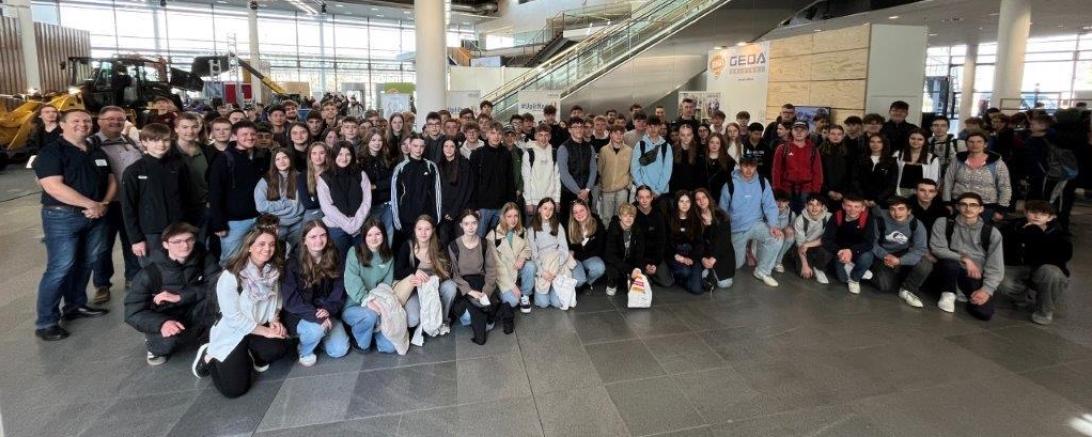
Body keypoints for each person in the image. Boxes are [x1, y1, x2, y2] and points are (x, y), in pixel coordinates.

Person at [33, 109, 113, 341]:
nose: (82, 124)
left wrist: (104, 203)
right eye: (75, 121)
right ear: (62, 125)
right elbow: (53, 186)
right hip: (62, 217)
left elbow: (111, 179)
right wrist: (91, 204)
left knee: (87, 262)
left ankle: (75, 305)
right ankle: (46, 321)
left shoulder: (96, 150)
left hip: (96, 215)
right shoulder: (51, 152)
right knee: (60, 267)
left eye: (86, 121)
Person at [192, 228, 289, 398]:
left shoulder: (272, 272)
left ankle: (250, 355)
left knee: (279, 346)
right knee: (235, 390)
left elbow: (276, 301)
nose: (267, 248)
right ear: (249, 246)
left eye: (271, 244)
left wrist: (275, 320)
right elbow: (233, 318)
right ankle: (209, 356)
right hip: (233, 332)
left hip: (256, 328)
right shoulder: (231, 276)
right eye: (261, 244)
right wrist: (267, 332)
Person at [124, 223, 218, 365]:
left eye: (189, 239)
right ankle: (153, 340)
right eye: (177, 242)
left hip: (195, 308)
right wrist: (161, 324)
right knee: (166, 344)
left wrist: (181, 297)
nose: (185, 245)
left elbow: (217, 286)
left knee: (219, 302)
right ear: (166, 244)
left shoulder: (204, 258)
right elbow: (132, 312)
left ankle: (207, 337)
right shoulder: (149, 273)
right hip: (165, 315)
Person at [90, 106, 143, 304]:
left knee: (132, 241)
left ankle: (133, 277)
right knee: (102, 246)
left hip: (131, 203)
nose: (116, 122)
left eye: (120, 119)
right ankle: (102, 284)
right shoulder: (90, 144)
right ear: (99, 121)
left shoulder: (130, 142)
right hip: (106, 203)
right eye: (110, 119)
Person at [121, 123, 194, 263]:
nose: (161, 144)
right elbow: (128, 207)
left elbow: (188, 198)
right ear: (144, 142)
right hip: (150, 233)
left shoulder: (179, 166)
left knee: (181, 267)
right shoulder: (134, 171)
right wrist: (136, 239)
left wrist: (189, 227)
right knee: (153, 270)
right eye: (155, 140)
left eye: (166, 140)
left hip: (178, 229)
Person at [281, 220, 349, 366]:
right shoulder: (292, 263)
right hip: (300, 313)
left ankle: (318, 338)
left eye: (323, 235)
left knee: (339, 350)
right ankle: (304, 350)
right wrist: (314, 315)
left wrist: (328, 310)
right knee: (316, 329)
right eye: (313, 237)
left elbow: (339, 289)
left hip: (326, 310)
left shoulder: (334, 257)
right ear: (304, 240)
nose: (319, 240)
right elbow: (291, 300)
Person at [929, 192, 1004, 319]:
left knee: (984, 313)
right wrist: (965, 259)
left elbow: (995, 266)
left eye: (973, 205)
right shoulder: (944, 222)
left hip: (972, 275)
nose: (968, 208)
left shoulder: (991, 232)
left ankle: (963, 294)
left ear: (981, 209)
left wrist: (986, 290)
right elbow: (937, 249)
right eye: (964, 204)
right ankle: (948, 294)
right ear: (957, 207)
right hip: (946, 269)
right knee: (950, 263)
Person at [999, 201, 1071, 325]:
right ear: (1025, 212)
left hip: (1043, 270)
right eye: (1033, 212)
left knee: (1052, 273)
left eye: (1043, 214)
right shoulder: (1013, 227)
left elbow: (1062, 257)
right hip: (1018, 268)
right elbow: (1003, 252)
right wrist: (1022, 235)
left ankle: (1044, 310)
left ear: (1050, 217)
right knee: (999, 277)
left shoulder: (1059, 233)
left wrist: (1036, 233)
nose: (1037, 216)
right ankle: (1021, 295)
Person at [208, 120, 269, 264]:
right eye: (244, 134)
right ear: (234, 136)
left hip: (259, 218)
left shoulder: (262, 156)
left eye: (253, 134)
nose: (250, 137)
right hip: (234, 222)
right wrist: (218, 223)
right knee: (231, 261)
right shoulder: (223, 159)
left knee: (257, 259)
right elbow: (215, 193)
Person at [448, 210, 511, 344]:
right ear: (461, 225)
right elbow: (455, 275)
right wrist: (470, 291)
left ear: (478, 223)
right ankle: (492, 315)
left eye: (474, 223)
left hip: (481, 283)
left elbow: (491, 270)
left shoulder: (485, 243)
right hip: (464, 285)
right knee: (467, 317)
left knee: (482, 306)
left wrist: (485, 292)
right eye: (466, 224)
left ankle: (495, 312)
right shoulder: (453, 246)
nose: (470, 227)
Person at [719, 156, 782, 287]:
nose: (749, 170)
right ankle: (746, 253)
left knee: (777, 237)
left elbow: (770, 205)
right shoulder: (730, 184)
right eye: (745, 166)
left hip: (756, 224)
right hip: (737, 228)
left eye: (752, 166)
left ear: (756, 166)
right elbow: (722, 212)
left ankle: (762, 271)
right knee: (736, 265)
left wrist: (773, 225)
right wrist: (724, 234)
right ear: (740, 166)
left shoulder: (762, 182)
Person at [392, 215, 458, 334]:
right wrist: (414, 271)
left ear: (433, 230)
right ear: (415, 230)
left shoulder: (438, 246)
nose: (423, 233)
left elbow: (447, 270)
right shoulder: (407, 246)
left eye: (427, 229)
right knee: (412, 320)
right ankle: (425, 320)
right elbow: (397, 272)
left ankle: (442, 320)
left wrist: (434, 279)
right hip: (414, 290)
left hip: (434, 287)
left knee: (451, 287)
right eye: (420, 229)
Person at [342, 219, 400, 353]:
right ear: (364, 237)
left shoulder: (388, 256)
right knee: (370, 316)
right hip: (355, 305)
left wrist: (380, 303)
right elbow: (351, 281)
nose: (374, 239)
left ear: (384, 235)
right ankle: (359, 339)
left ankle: (370, 330)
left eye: (378, 234)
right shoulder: (354, 252)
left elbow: (386, 285)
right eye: (369, 235)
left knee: (390, 348)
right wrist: (366, 300)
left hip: (378, 304)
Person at [868, 197, 928, 302]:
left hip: (903, 253)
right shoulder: (879, 220)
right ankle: (872, 272)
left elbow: (920, 249)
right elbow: (872, 243)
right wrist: (885, 255)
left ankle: (907, 289)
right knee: (884, 286)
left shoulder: (917, 224)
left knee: (926, 264)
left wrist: (900, 261)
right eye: (892, 209)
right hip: (883, 254)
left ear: (909, 211)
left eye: (901, 209)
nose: (897, 213)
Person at [318, 142, 372, 258]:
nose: (344, 158)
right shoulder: (324, 177)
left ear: (352, 156)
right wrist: (348, 225)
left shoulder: (361, 174)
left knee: (363, 258)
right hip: (336, 226)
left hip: (360, 224)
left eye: (348, 154)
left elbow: (366, 202)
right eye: (340, 154)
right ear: (334, 156)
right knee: (340, 260)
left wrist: (355, 224)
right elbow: (327, 207)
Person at [942, 131, 1011, 223]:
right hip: (959, 205)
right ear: (966, 144)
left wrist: (1001, 209)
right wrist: (947, 202)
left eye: (979, 141)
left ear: (985, 144)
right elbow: (948, 181)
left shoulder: (997, 163)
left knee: (983, 231)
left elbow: (1005, 186)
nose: (975, 145)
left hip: (986, 207)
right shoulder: (957, 160)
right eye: (971, 142)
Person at [485, 202, 536, 314]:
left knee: (531, 266)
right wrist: (512, 286)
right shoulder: (492, 236)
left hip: (516, 269)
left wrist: (522, 257)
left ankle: (525, 295)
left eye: (516, 216)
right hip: (502, 276)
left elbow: (527, 249)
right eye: (509, 216)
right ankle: (501, 292)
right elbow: (497, 266)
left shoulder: (521, 231)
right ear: (503, 217)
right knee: (513, 302)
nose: (513, 220)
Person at [391, 138, 443, 244]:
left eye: (421, 146)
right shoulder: (401, 168)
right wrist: (397, 221)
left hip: (427, 216)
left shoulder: (431, 166)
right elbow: (395, 195)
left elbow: (437, 193)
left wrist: (437, 218)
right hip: (407, 218)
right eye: (415, 146)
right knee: (410, 248)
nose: (418, 149)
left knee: (428, 248)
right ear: (409, 146)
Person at [821, 195, 876, 294]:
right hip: (840, 251)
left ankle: (855, 279)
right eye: (849, 206)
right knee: (842, 279)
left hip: (858, 251)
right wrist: (839, 251)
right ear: (843, 205)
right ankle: (854, 268)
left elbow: (868, 243)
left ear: (863, 208)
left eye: (856, 206)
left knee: (867, 256)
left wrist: (851, 251)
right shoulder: (837, 216)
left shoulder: (868, 218)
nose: (852, 210)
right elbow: (826, 239)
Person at [470, 122, 516, 236]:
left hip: (502, 206)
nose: (496, 136)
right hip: (483, 207)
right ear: (487, 135)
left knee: (501, 240)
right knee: (479, 239)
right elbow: (472, 183)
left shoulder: (506, 154)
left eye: (499, 133)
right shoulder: (477, 154)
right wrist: (474, 207)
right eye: (493, 133)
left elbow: (510, 180)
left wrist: (511, 205)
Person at [528, 198, 574, 308]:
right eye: (545, 208)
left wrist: (556, 268)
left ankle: (553, 286)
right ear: (539, 209)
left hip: (557, 263)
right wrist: (542, 272)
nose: (548, 212)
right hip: (543, 264)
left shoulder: (558, 226)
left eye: (551, 209)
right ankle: (540, 285)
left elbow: (564, 249)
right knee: (543, 303)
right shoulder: (531, 229)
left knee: (557, 303)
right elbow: (533, 254)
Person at [254, 148, 306, 245]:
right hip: (275, 224)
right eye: (277, 159)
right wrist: (285, 203)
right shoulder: (265, 180)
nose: (281, 161)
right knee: (276, 251)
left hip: (298, 223)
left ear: (290, 159)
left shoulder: (300, 177)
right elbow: (260, 206)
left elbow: (300, 205)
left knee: (298, 251)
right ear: (273, 162)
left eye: (285, 157)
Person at [772, 121, 823, 213]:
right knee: (786, 215)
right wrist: (777, 189)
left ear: (807, 132)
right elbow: (776, 170)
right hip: (786, 188)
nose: (799, 133)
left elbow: (817, 172)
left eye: (802, 130)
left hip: (807, 189)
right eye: (796, 130)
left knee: (804, 215)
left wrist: (815, 191)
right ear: (791, 131)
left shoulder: (813, 149)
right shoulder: (782, 148)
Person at [557, 117, 598, 223]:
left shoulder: (590, 147)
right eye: (575, 127)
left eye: (581, 126)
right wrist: (579, 192)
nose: (579, 129)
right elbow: (564, 174)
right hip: (569, 193)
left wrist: (587, 190)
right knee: (569, 224)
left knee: (586, 223)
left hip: (586, 192)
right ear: (569, 130)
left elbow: (593, 169)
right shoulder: (563, 148)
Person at [665, 191, 705, 294]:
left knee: (697, 290)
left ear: (691, 203)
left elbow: (699, 243)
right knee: (685, 271)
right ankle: (675, 275)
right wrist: (677, 257)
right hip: (675, 254)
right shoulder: (669, 218)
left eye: (687, 201)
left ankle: (689, 279)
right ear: (676, 203)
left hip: (691, 255)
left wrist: (692, 258)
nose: (685, 204)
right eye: (681, 201)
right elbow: (665, 243)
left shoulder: (695, 219)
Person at [693, 188, 734, 290]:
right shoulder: (695, 218)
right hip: (704, 254)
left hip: (721, 254)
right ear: (695, 202)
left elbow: (724, 241)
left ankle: (711, 274)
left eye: (704, 197)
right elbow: (696, 243)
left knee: (724, 284)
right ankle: (708, 273)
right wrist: (703, 258)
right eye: (698, 199)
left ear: (709, 198)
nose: (701, 201)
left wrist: (713, 259)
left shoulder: (721, 215)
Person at [603, 203, 647, 296]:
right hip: (616, 261)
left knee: (641, 276)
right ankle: (612, 282)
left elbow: (640, 252)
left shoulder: (638, 229)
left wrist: (637, 268)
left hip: (630, 261)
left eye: (631, 216)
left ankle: (628, 280)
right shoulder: (613, 228)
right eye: (625, 215)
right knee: (614, 272)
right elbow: (610, 255)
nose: (628, 218)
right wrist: (630, 270)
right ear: (620, 216)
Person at [360, 128, 395, 239]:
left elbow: (392, 180)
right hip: (370, 205)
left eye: (380, 140)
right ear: (367, 141)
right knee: (372, 235)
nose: (377, 143)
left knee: (388, 234)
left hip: (387, 203)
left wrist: (375, 186)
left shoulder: (387, 158)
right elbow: (362, 184)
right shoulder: (361, 160)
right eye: (373, 140)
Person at [439, 138, 475, 244]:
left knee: (461, 241)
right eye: (446, 146)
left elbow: (466, 190)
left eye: (452, 146)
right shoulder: (438, 165)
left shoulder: (464, 164)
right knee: (444, 240)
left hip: (460, 210)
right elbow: (436, 192)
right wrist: (444, 211)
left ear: (456, 149)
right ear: (442, 148)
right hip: (444, 212)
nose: (448, 149)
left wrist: (454, 211)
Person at [567, 199, 606, 293]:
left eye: (581, 210)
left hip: (590, 258)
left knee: (599, 267)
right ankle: (582, 282)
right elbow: (567, 249)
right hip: (575, 260)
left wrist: (576, 254)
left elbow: (599, 248)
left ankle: (588, 283)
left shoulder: (597, 223)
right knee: (579, 281)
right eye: (575, 212)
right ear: (573, 215)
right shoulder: (568, 225)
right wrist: (572, 254)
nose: (579, 214)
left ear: (587, 210)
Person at [630, 116, 673, 198]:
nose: (653, 129)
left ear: (659, 127)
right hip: (643, 191)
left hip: (661, 192)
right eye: (650, 126)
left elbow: (667, 171)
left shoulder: (666, 147)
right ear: (646, 127)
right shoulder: (640, 145)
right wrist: (643, 188)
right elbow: (634, 169)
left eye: (655, 126)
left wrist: (658, 191)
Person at [793, 194, 832, 284]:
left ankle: (818, 268)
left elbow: (828, 239)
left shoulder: (829, 217)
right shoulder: (800, 220)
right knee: (805, 274)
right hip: (803, 248)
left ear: (823, 207)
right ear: (806, 206)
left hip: (820, 245)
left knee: (828, 249)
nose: (814, 208)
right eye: (811, 204)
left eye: (818, 205)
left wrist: (808, 244)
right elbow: (800, 245)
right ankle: (807, 263)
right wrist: (805, 265)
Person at [851, 134, 898, 208]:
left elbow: (892, 184)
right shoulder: (860, 159)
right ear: (868, 143)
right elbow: (854, 180)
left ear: (884, 144)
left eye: (879, 142)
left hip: (882, 202)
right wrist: (863, 198)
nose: (875, 144)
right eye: (872, 141)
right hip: (861, 200)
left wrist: (877, 200)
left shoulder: (891, 161)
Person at [598, 125, 633, 219]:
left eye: (621, 133)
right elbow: (600, 169)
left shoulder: (629, 150)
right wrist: (602, 185)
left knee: (621, 216)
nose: (618, 136)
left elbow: (632, 170)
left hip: (622, 189)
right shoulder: (604, 150)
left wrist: (628, 185)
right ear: (610, 135)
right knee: (606, 217)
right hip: (607, 188)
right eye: (615, 133)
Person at [893, 129, 940, 197]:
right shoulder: (898, 154)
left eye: (920, 139)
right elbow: (892, 176)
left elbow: (933, 180)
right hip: (899, 191)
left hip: (922, 193)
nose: (915, 141)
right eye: (913, 138)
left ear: (925, 141)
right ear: (908, 139)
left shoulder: (932, 158)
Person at [818, 125, 852, 209]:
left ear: (843, 135)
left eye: (839, 134)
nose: (836, 136)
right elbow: (818, 173)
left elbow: (851, 175)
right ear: (828, 135)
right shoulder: (819, 151)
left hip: (843, 194)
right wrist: (827, 191)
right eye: (833, 134)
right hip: (824, 193)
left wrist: (842, 192)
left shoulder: (849, 152)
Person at [298, 142, 328, 224]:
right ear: (310, 156)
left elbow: (336, 198)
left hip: (333, 209)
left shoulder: (332, 173)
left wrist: (315, 199)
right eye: (314, 153)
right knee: (309, 218)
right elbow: (307, 204)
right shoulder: (303, 176)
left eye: (321, 153)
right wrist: (326, 199)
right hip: (314, 209)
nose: (318, 157)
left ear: (327, 155)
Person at [669, 124, 702, 194]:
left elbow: (700, 173)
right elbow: (671, 172)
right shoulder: (672, 149)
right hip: (676, 189)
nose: (686, 138)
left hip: (693, 189)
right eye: (683, 135)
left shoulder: (698, 149)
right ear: (679, 136)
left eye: (688, 135)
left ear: (692, 135)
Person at [771, 190, 796, 273]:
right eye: (778, 201)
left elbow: (790, 230)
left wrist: (782, 232)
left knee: (791, 234)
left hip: (780, 238)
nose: (780, 204)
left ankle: (777, 261)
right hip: (767, 235)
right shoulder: (767, 210)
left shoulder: (791, 214)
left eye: (784, 201)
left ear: (788, 202)